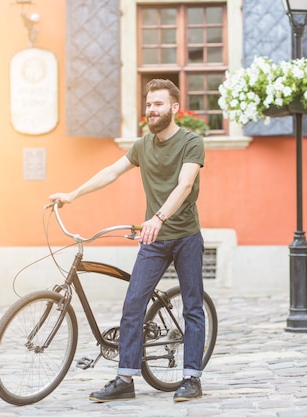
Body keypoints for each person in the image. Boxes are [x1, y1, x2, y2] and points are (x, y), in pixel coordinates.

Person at [49, 79, 206, 403]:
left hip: (185, 236)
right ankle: (125, 379)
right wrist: (72, 194)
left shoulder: (192, 142)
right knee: (133, 305)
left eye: (158, 104)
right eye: (149, 104)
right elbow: (110, 172)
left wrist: (158, 218)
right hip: (154, 239)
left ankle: (191, 377)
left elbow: (185, 185)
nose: (152, 109)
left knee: (193, 307)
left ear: (174, 108)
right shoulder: (142, 146)